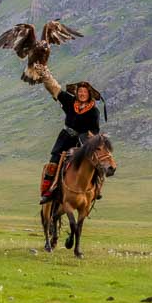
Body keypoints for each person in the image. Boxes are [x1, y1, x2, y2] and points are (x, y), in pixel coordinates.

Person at [38, 69, 103, 204]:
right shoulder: (69, 101)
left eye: (85, 92)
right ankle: (47, 192)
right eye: (80, 91)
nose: (82, 94)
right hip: (65, 138)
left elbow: (95, 130)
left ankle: (96, 189)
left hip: (83, 142)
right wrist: (46, 75)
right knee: (53, 163)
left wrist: (90, 140)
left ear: (89, 94)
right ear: (76, 92)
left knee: (96, 164)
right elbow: (55, 89)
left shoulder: (94, 111)